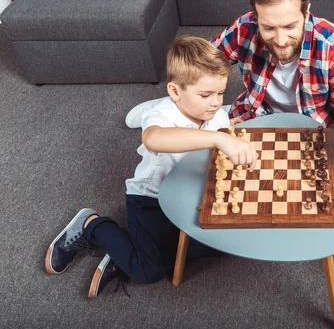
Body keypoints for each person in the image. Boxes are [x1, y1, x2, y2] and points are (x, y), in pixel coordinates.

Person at [44, 36, 258, 297]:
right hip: (150, 200)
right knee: (149, 272)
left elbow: (224, 137)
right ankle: (91, 224)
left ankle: (126, 249)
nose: (215, 102)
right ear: (175, 91)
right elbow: (154, 139)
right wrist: (217, 137)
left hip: (191, 195)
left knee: (223, 242)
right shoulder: (162, 115)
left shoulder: (217, 115)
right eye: (205, 95)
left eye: (221, 93)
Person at [126, 0, 334, 142]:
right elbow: (199, 64)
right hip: (254, 115)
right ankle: (170, 105)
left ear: (307, 10)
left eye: (290, 26)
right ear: (255, 16)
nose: (280, 41)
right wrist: (179, 100)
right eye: (268, 27)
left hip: (311, 129)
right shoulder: (245, 28)